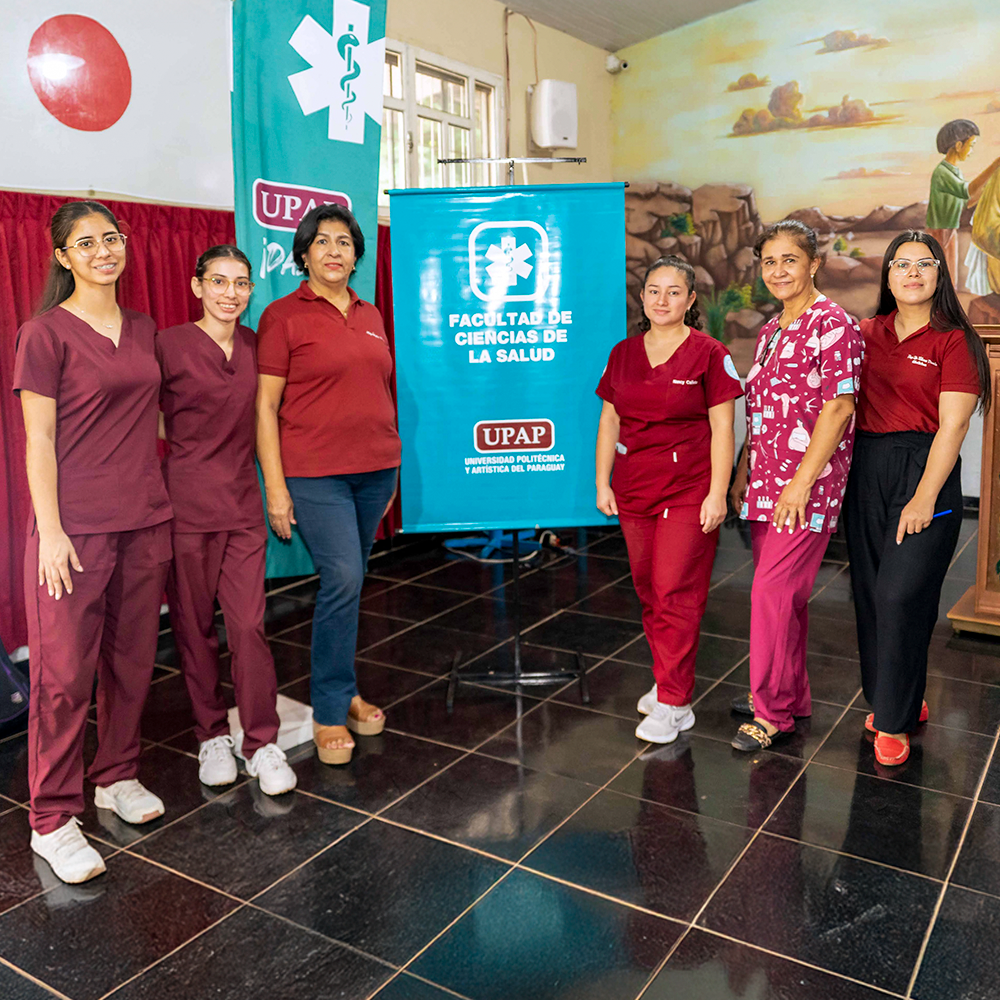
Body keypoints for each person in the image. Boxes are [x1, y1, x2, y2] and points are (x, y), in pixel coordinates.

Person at [14, 201, 172, 884]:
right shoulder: (44, 334)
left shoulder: (142, 327)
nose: (104, 251)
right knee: (63, 678)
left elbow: (156, 416)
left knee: (132, 662)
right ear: (63, 256)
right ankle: (51, 818)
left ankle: (116, 776)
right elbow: (39, 439)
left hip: (145, 519)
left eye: (112, 238)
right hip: (73, 531)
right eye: (86, 243)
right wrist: (50, 530)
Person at [256, 204, 399, 766]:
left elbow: (379, 389)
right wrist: (275, 487)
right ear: (304, 254)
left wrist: (391, 461)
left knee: (351, 583)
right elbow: (265, 408)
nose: (334, 250)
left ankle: (346, 687)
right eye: (322, 241)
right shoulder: (282, 316)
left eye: (344, 242)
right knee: (343, 576)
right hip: (315, 474)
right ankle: (329, 709)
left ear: (356, 255)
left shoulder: (371, 313)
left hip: (375, 471)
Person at [844, 231, 990, 765]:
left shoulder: (955, 340)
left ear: (939, 275)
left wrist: (924, 496)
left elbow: (954, 427)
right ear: (887, 276)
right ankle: (893, 698)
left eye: (923, 264)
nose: (912, 273)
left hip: (927, 469)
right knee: (869, 592)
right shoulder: (864, 333)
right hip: (865, 468)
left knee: (901, 595)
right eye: (901, 264)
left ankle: (894, 721)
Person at [157, 246, 297, 795]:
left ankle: (261, 742)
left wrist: (275, 489)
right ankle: (212, 735)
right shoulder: (168, 344)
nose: (230, 293)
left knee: (247, 627)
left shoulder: (257, 346)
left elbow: (266, 419)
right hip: (185, 509)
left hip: (240, 508)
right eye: (218, 281)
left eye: (241, 283)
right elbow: (149, 418)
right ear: (197, 286)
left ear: (250, 291)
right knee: (194, 629)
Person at [596, 255, 743, 743]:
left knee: (675, 591)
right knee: (649, 591)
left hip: (688, 490)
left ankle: (676, 703)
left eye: (674, 291)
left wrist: (717, 493)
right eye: (654, 291)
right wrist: (602, 482)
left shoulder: (709, 353)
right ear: (642, 297)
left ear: (691, 299)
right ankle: (666, 681)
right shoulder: (623, 354)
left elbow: (724, 428)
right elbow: (610, 420)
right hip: (634, 487)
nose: (662, 300)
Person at [729, 220, 863, 751]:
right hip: (765, 482)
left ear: (814, 263)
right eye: (769, 261)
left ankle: (772, 714)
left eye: (790, 259)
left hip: (806, 487)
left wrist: (800, 484)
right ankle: (791, 696)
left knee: (770, 595)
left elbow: (840, 406)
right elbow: (760, 410)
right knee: (788, 599)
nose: (779, 270)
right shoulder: (771, 330)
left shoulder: (834, 324)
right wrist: (744, 471)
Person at [925, 119, 1000, 286]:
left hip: (949, 229)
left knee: (950, 277)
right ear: (959, 146)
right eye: (971, 145)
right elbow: (967, 191)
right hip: (938, 231)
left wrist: (990, 187)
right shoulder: (942, 172)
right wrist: (995, 165)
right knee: (940, 276)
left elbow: (968, 201)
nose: (971, 151)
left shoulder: (955, 172)